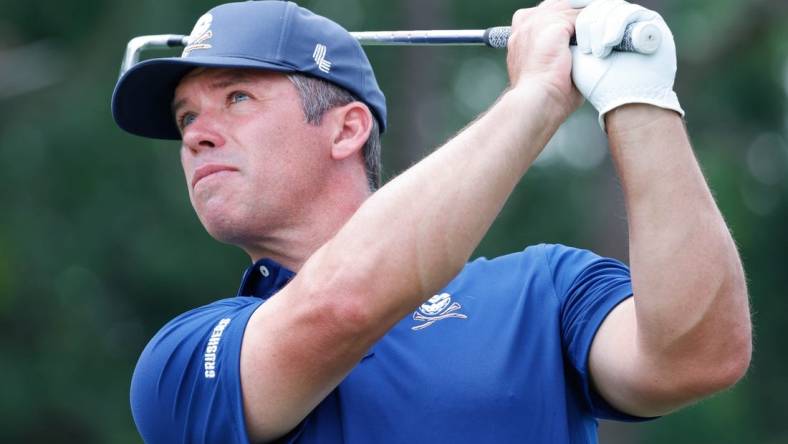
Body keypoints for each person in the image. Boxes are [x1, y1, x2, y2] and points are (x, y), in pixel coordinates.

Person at [111, 0, 752, 443]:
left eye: (237, 98)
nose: (197, 137)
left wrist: (639, 98)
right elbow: (346, 301)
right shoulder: (185, 360)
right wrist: (538, 95)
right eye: (187, 118)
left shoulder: (545, 290)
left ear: (346, 129)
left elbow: (696, 357)